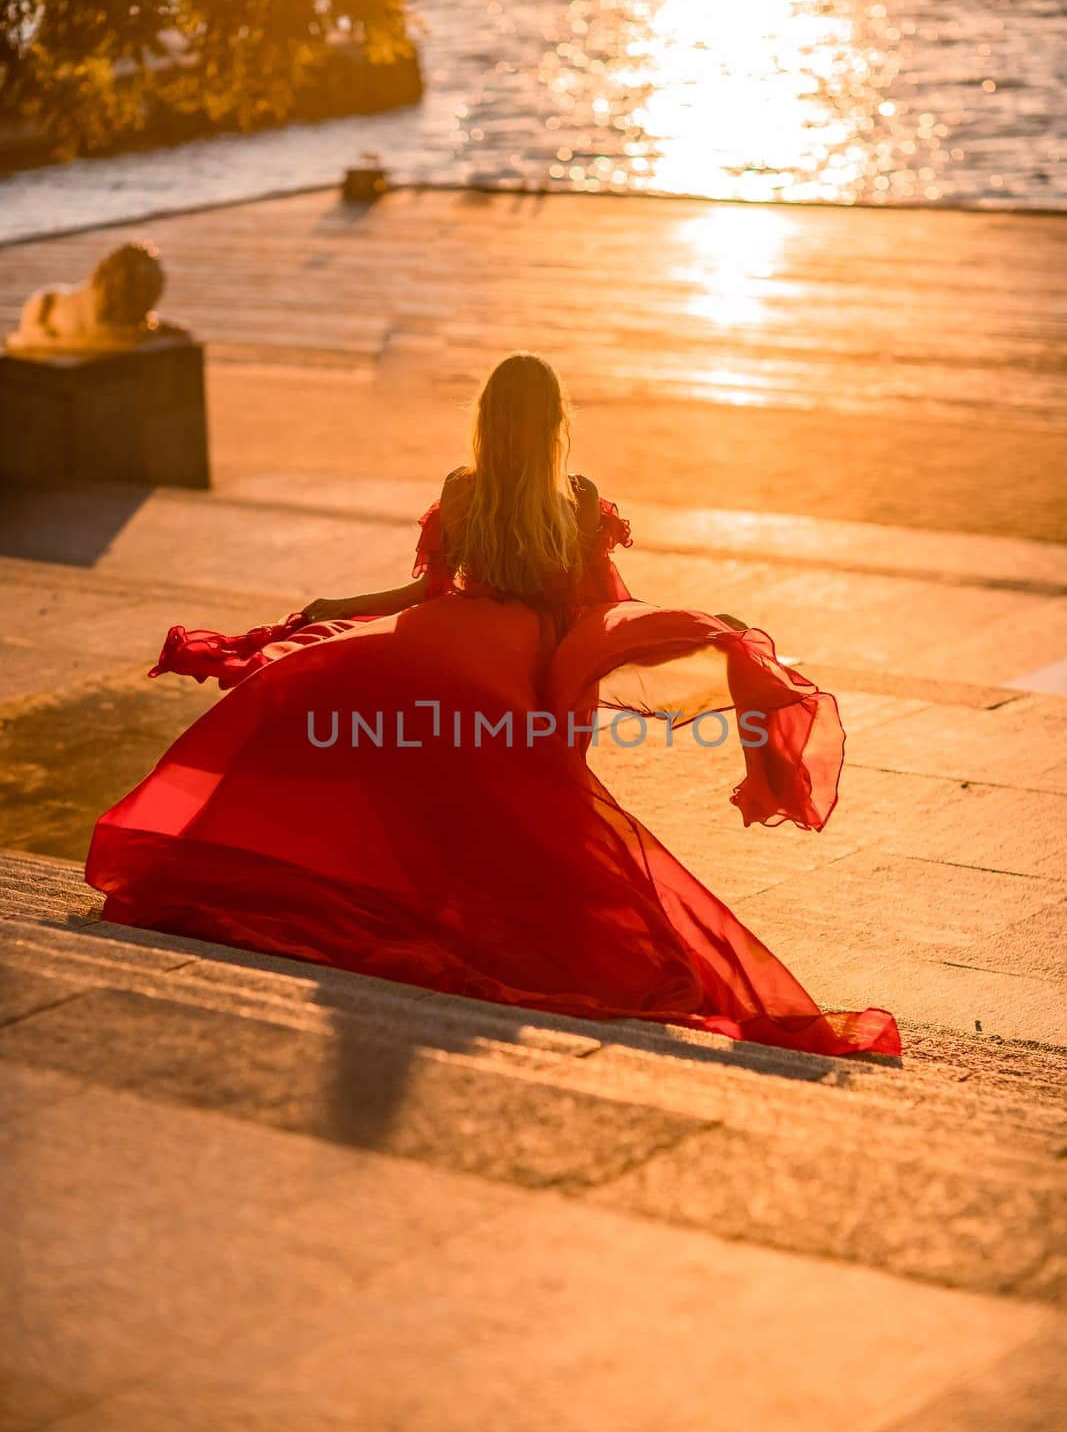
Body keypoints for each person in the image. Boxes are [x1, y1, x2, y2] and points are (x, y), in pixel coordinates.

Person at [86, 352, 900, 1058]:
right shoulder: (575, 498)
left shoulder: (463, 487)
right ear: (555, 422)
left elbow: (424, 592)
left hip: (424, 645)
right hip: (504, 666)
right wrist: (620, 669)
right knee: (534, 818)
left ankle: (264, 869)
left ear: (485, 419)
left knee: (347, 746)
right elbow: (592, 609)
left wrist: (338, 604)